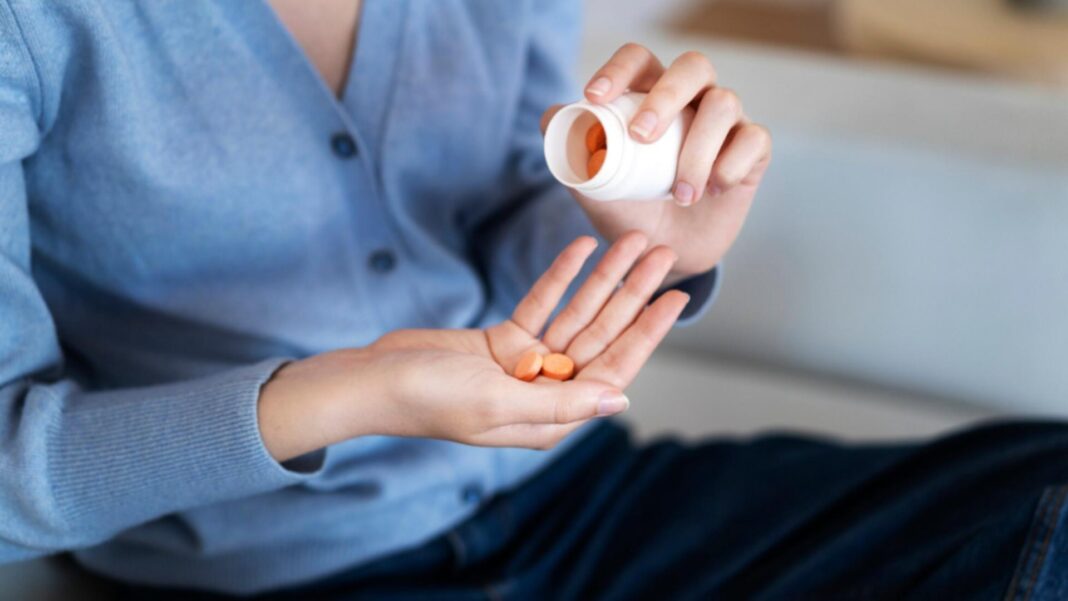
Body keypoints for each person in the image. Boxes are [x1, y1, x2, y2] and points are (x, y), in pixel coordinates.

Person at [0, 1, 1063, 599]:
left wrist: (637, 234)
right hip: (281, 575)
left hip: (579, 506)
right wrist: (356, 392)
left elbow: (499, 209)